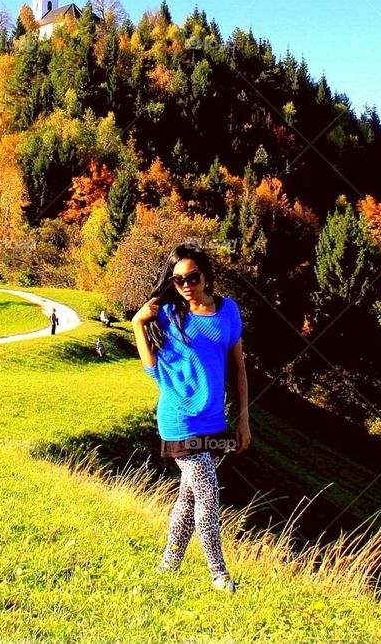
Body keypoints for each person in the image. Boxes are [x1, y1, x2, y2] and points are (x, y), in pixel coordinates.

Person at [131, 242, 251, 593]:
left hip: (213, 420)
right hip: (179, 420)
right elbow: (152, 368)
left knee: (188, 498)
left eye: (192, 277)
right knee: (208, 494)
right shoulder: (167, 314)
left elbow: (238, 368)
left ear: (206, 276)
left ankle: (168, 564)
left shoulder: (228, 312)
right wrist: (138, 324)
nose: (186, 284)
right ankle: (219, 573)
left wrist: (243, 419)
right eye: (178, 279)